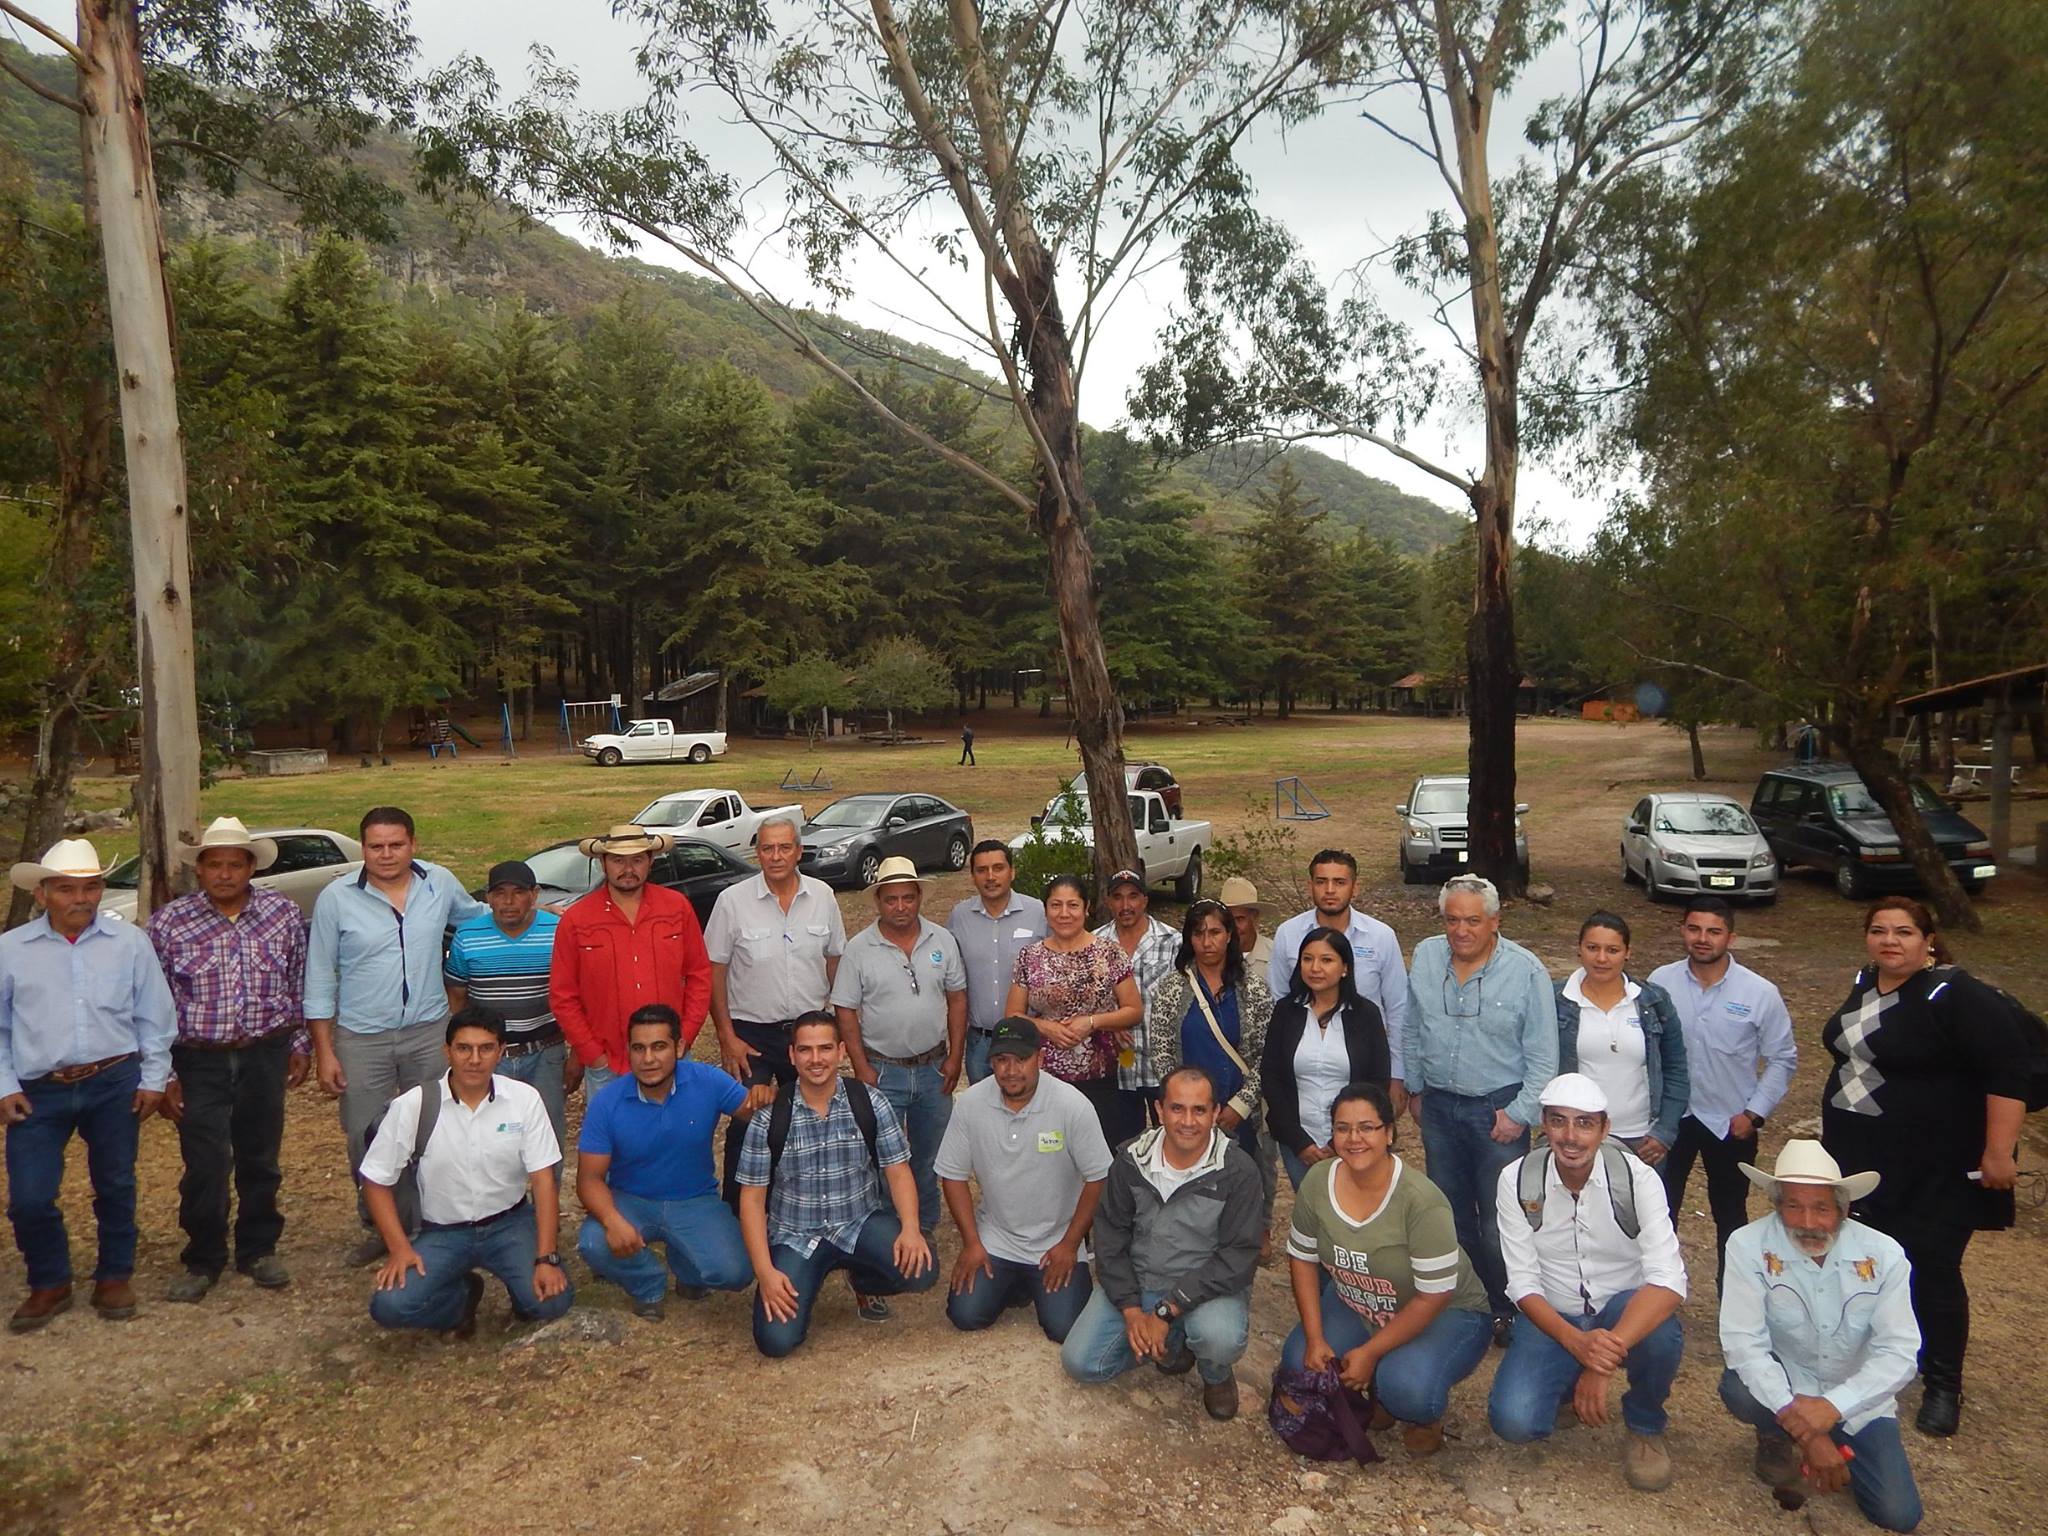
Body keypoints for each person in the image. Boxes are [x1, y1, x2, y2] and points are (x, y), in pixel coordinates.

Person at [1818, 895, 2029, 1438]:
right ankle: (1881, 1359)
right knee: (1870, 1266)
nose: (1891, 941)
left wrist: (1999, 1152)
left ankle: (1942, 1383)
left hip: (1935, 1165)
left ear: (1928, 940)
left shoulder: (1957, 995)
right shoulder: (1867, 982)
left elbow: (2008, 1073)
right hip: (1862, 1160)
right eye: (1880, 930)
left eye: (1904, 932)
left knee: (1931, 1271)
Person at [1, 839, 176, 1332]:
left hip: (113, 1079)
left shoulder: (130, 943)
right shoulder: (11, 950)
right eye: (67, 889)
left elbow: (154, 1015)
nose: (81, 899)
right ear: (42, 895)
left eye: (91, 887)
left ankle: (114, 1275)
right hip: (40, 1088)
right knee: (30, 1197)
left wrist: (154, 1078)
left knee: (116, 1183)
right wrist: (3, 1086)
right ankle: (49, 1281)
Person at [1489, 1073, 1687, 1493]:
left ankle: (1645, 1423)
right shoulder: (1517, 1179)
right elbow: (1522, 1282)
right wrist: (1576, 1343)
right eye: (1559, 1121)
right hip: (1555, 1315)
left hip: (1620, 1308)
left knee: (1662, 1333)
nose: (1570, 1136)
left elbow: (1668, 1282)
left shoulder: (1637, 1178)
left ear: (1604, 1129)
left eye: (1584, 1123)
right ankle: (1564, 1384)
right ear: (1543, 1125)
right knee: (1514, 1423)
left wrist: (1602, 1360)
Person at [306, 806, 486, 1263]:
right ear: (362, 848)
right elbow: (321, 974)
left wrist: (538, 915)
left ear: (413, 845)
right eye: (375, 846)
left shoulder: (439, 882)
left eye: (396, 845)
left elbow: (477, 918)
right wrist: (324, 1050)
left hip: (428, 1031)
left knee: (434, 1129)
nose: (386, 855)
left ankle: (433, 1223)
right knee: (366, 1133)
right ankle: (379, 1226)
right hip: (360, 1037)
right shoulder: (337, 898)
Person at [1278, 1082, 1492, 1457]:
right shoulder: (1317, 1181)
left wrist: (1371, 1353)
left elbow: (1435, 1294)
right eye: (1343, 1128)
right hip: (1357, 1300)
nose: (1354, 1138)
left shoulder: (1421, 1201)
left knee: (1408, 1391)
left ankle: (1418, 1411)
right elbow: (1302, 1257)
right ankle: (1374, 1381)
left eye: (1367, 1127)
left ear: (1390, 1132)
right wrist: (1314, 1336)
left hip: (1444, 1310)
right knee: (1300, 1361)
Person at [1719, 1141, 1923, 1531]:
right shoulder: (1747, 1245)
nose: (1808, 1222)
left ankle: (1830, 1446)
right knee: (1738, 1388)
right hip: (1788, 1387)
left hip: (1860, 1399)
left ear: (1844, 1210)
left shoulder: (1885, 1255)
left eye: (1822, 1208)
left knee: (1899, 1516)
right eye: (1794, 1206)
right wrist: (1809, 1432)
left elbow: (1899, 1353)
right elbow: (1744, 1344)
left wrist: (1833, 1408)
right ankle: (1778, 1434)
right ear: (1777, 1207)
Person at [147, 817, 309, 1302]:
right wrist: (165, 1073)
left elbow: (297, 981)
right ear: (199, 869)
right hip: (199, 1061)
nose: (224, 874)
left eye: (234, 865)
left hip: (265, 1052)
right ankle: (203, 1257)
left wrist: (298, 1044)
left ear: (250, 867)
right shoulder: (169, 923)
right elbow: (152, 1004)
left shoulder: (281, 913)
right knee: (206, 1163)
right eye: (214, 865)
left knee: (261, 1157)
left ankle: (259, 1249)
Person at [1403, 872, 1557, 1342]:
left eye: (1472, 920)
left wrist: (1519, 1114)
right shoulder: (1427, 956)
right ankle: (1464, 1303)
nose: (1461, 931)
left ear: (1495, 921)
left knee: (1500, 1224)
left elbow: (1544, 1056)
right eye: (1452, 920)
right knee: (1448, 1217)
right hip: (1439, 1108)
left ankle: (1507, 1306)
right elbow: (1412, 1027)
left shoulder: (1527, 970)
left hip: (1498, 1113)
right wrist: (1414, 1088)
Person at [1060, 1065, 1263, 1420]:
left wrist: (1168, 1310)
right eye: (1177, 1108)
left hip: (1207, 1290)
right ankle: (1171, 1345)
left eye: (1199, 1110)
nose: (1188, 1121)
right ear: (1159, 1110)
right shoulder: (1129, 1161)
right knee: (1081, 1363)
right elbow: (1110, 1238)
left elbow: (1237, 1257)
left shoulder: (1238, 1171)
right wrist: (1131, 1310)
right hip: (1141, 1281)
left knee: (1219, 1337)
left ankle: (1215, 1373)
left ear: (1216, 1113)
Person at [734, 1012, 936, 1357]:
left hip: (859, 1224)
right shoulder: (769, 1118)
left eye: (825, 1048)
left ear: (841, 1051)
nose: (816, 1060)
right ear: (792, 1055)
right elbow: (751, 1201)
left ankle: (861, 1279)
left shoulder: (869, 1102)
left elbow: (898, 1171)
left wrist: (911, 1229)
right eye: (806, 1050)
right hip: (796, 1237)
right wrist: (766, 1272)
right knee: (776, 1342)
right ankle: (806, 1281)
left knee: (923, 1270)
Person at [362, 1007, 573, 1337]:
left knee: (551, 1304)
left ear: (501, 1052)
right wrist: (400, 1248)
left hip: (509, 1224)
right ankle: (460, 1300)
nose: (475, 1059)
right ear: (447, 1051)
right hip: (443, 1231)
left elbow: (543, 1180)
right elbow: (375, 1180)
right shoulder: (414, 1105)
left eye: (486, 1048)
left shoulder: (523, 1100)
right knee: (391, 1306)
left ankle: (522, 1291)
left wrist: (547, 1257)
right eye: (464, 1048)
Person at [576, 1005, 771, 1319]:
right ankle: (647, 1281)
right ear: (628, 1051)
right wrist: (613, 1221)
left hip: (694, 1199)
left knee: (736, 1273)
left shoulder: (707, 1080)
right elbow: (588, 1180)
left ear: (679, 1047)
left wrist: (765, 1096)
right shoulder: (607, 1102)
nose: (649, 1059)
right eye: (639, 1048)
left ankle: (687, 1268)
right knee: (593, 1243)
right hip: (630, 1200)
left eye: (659, 1046)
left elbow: (751, 1110)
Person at [1648, 896, 1797, 1290]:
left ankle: (1733, 1299)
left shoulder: (1760, 992)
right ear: (1682, 930)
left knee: (1730, 1216)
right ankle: (1658, 1291)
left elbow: (1783, 1058)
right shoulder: (1659, 982)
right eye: (1694, 928)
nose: (1702, 938)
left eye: (1713, 931)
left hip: (1731, 1124)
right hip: (1671, 1121)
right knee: (1659, 1212)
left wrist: (1753, 1114)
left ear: (1730, 937)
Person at [938, 1018, 1111, 1342]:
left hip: (1054, 1241)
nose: (1011, 1070)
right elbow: (952, 1175)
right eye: (1002, 1060)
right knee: (965, 1315)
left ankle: (1033, 1281)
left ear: (1040, 1059)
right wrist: (973, 1244)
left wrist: (1070, 1244)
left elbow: (1099, 1176)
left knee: (1065, 1330)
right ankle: (1016, 1282)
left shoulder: (1072, 1105)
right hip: (997, 1238)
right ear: (991, 1062)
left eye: (1021, 1059)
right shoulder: (971, 1105)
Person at [704, 814, 844, 1206]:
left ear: (798, 851)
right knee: (748, 1119)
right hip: (753, 1035)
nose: (776, 856)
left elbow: (834, 959)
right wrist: (727, 1037)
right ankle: (737, 1211)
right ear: (757, 852)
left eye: (784, 847)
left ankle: (805, 1201)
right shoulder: (732, 902)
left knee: (813, 1118)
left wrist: (839, 1023)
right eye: (767, 848)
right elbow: (715, 970)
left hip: (809, 1033)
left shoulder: (823, 897)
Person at [830, 856, 966, 1241]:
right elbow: (845, 1009)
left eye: (908, 898)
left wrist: (954, 1057)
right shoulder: (859, 948)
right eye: (891, 900)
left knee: (929, 1154)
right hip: (881, 1070)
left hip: (933, 1068)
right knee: (881, 1154)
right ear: (878, 902)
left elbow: (957, 998)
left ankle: (923, 1223)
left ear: (919, 896)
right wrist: (861, 1067)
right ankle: (886, 1225)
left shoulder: (942, 941)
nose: (901, 907)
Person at [550, 824, 712, 1096]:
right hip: (608, 1064)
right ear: (603, 863)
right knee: (614, 1139)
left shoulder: (677, 907)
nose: (628, 869)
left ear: (650, 861)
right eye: (618, 860)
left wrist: (685, 1035)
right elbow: (562, 994)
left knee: (676, 1136)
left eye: (637, 860)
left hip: (672, 1058)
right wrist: (592, 1052)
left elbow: (699, 975)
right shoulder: (577, 919)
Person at [1006, 874, 1144, 1145]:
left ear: (1086, 908)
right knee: (1051, 1151)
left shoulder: (1109, 953)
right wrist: (1046, 1027)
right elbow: (1012, 1015)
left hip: (1100, 1077)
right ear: (1045, 910)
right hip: (1045, 1078)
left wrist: (1091, 1022)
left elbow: (1133, 1010)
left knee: (1100, 1153)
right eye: (1056, 905)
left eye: (1073, 905)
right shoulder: (1029, 957)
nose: (1064, 913)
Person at [444, 859, 570, 1156]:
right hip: (490, 1056)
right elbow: (458, 997)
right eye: (499, 893)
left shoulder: (559, 931)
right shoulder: (468, 936)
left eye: (518, 892)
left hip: (545, 1053)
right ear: (488, 897)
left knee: (548, 1136)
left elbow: (574, 992)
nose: (509, 901)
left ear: (535, 894)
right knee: (488, 1137)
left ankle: (546, 1202)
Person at [1267, 850, 1408, 1101]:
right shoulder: (1288, 934)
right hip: (1304, 1065)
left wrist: (1397, 1075)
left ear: (1355, 887)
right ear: (1310, 885)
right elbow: (1278, 1000)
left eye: (1339, 882)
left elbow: (1398, 1007)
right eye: (1321, 882)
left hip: (1364, 1064)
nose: (1330, 890)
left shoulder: (1380, 937)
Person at [1553, 911, 1690, 1164]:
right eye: (1593, 948)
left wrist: (1664, 1132)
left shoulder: (1654, 1001)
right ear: (1579, 950)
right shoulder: (1556, 1001)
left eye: (1613, 950)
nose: (1602, 958)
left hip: (1642, 1140)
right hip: (1576, 1139)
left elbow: (1676, 1069)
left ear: (1628, 952)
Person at [1144, 899, 1273, 1162]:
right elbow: (1161, 1051)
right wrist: (1185, 1105)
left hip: (1239, 1118)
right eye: (1198, 933)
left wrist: (1241, 1105)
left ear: (1228, 936)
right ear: (1189, 938)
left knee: (1240, 1190)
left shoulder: (1254, 989)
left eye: (1214, 932)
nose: (1206, 942)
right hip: (1189, 1119)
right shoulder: (1172, 989)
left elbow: (1268, 1054)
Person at [1263, 928, 1392, 1189]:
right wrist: (1299, 1142)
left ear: (1345, 967)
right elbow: (1272, 1076)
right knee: (1312, 1215)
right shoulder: (1286, 1011)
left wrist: (1338, 1142)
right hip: (1299, 1141)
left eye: (1326, 960)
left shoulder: (1365, 1015)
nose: (1315, 968)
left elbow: (1377, 1081)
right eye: (1307, 959)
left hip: (1354, 1142)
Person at [946, 841, 1045, 1085]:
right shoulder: (960, 916)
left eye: (998, 868)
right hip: (981, 1043)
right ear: (972, 876)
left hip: (1027, 1038)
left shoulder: (1038, 912)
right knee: (984, 1114)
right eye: (982, 870)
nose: (990, 877)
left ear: (1013, 872)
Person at [1094, 867, 1179, 1123]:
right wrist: (1109, 1023)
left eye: (1133, 896)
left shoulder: (1173, 941)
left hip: (1162, 1066)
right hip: (1117, 1067)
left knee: (1170, 1142)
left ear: (1145, 900)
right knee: (1121, 1147)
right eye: (1117, 897)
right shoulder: (1095, 944)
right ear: (1108, 901)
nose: (1126, 905)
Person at [1220, 877, 1273, 972]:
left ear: (1255, 917)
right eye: (1228, 920)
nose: (1233, 926)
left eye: (1239, 919)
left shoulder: (1274, 956)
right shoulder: (1213, 954)